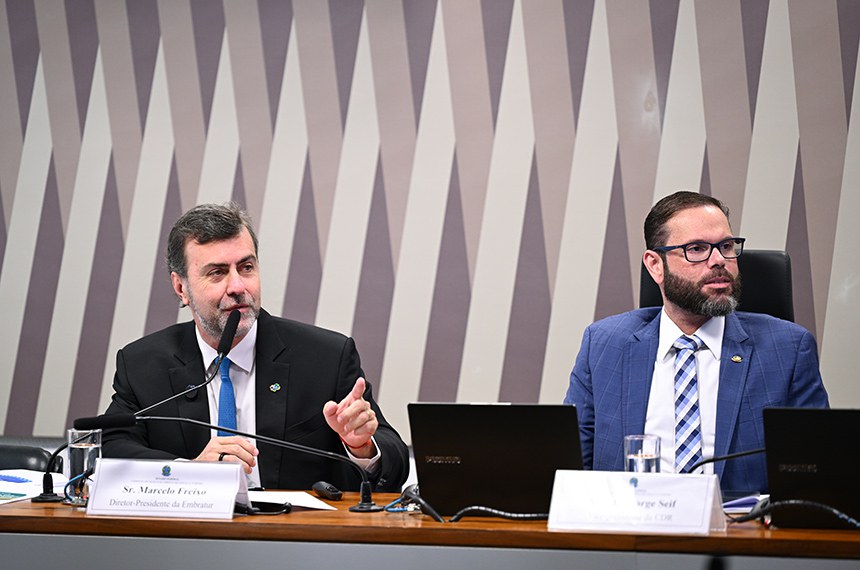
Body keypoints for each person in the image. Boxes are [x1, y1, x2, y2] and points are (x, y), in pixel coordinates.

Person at [102, 202, 409, 492]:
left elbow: (393, 462)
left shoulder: (326, 358)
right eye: (217, 272)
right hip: (187, 540)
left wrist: (361, 447)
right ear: (181, 287)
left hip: (291, 539)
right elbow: (113, 448)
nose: (238, 287)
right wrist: (189, 471)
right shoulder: (142, 364)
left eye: (246, 267)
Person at [564, 191, 828, 495]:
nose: (719, 261)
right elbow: (572, 469)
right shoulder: (604, 344)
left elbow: (814, 475)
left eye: (726, 247)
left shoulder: (788, 349)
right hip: (629, 532)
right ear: (655, 265)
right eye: (697, 249)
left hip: (740, 535)